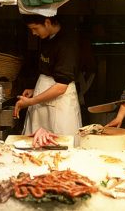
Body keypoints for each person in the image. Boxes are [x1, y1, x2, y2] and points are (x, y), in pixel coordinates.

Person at [14, 14, 82, 147]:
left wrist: (30, 102)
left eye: (35, 28)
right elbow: (49, 73)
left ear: (47, 22)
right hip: (42, 100)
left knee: (61, 144)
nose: (33, 33)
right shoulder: (47, 38)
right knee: (36, 145)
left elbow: (61, 86)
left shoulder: (67, 43)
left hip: (60, 102)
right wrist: (35, 91)